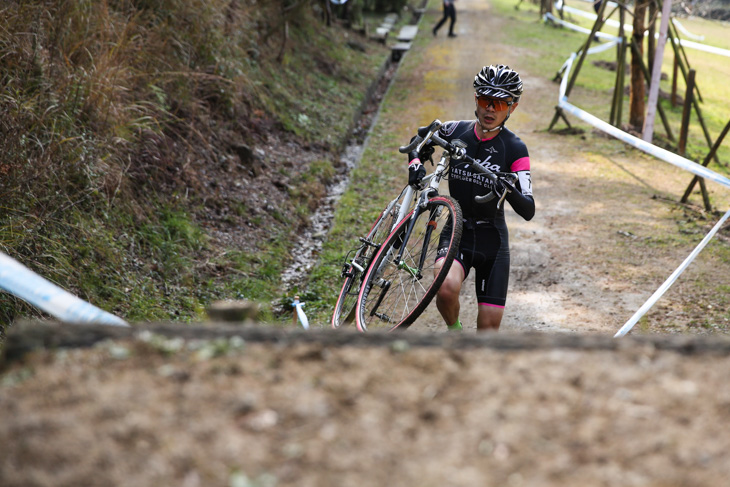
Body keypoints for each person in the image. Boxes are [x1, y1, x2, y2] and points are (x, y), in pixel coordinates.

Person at [407, 64, 534, 332]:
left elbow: (528, 209)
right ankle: (455, 333)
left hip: (493, 242)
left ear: (513, 107)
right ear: (476, 99)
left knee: (487, 332)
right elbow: (418, 140)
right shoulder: (456, 131)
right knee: (445, 289)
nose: (490, 109)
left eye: (499, 104)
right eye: (485, 100)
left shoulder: (515, 148)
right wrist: (415, 162)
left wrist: (507, 188)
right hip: (458, 230)